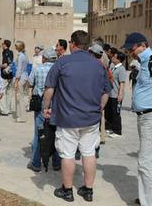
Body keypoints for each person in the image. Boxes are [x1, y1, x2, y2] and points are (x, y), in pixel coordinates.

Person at [43, 30, 111, 202]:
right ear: (87, 45)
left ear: (72, 44)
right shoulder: (98, 65)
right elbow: (106, 92)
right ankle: (88, 190)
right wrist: (99, 109)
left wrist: (46, 107)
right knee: (89, 153)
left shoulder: (62, 62)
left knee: (68, 154)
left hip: (67, 118)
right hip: (91, 118)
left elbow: (49, 88)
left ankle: (67, 190)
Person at [121, 32, 152, 206]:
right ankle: (151, 200)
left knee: (146, 162)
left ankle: (149, 202)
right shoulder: (143, 62)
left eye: (132, 48)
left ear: (142, 45)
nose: (130, 52)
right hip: (146, 117)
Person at [26, 48, 60, 172]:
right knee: (56, 132)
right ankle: (56, 162)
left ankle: (36, 162)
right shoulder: (59, 69)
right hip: (56, 104)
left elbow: (30, 83)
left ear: (44, 58)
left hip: (40, 103)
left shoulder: (37, 68)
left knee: (38, 133)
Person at [105, 51, 127, 138]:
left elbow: (122, 83)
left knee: (116, 113)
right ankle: (110, 128)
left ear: (118, 59)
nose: (112, 57)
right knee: (109, 112)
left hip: (116, 94)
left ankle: (117, 131)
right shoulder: (113, 67)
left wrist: (120, 94)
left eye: (114, 56)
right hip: (110, 94)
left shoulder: (121, 69)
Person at [0, 39, 14, 116]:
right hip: (10, 76)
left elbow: (7, 64)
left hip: (5, 76)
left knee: (2, 92)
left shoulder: (6, 53)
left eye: (2, 44)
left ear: (5, 45)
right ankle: (8, 109)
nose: (1, 45)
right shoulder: (10, 52)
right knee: (9, 93)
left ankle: (4, 110)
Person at [14, 40, 29, 123]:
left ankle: (22, 117)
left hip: (20, 78)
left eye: (16, 46)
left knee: (19, 97)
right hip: (25, 77)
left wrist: (16, 80)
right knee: (21, 97)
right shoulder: (24, 55)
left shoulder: (20, 56)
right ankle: (21, 116)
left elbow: (19, 69)